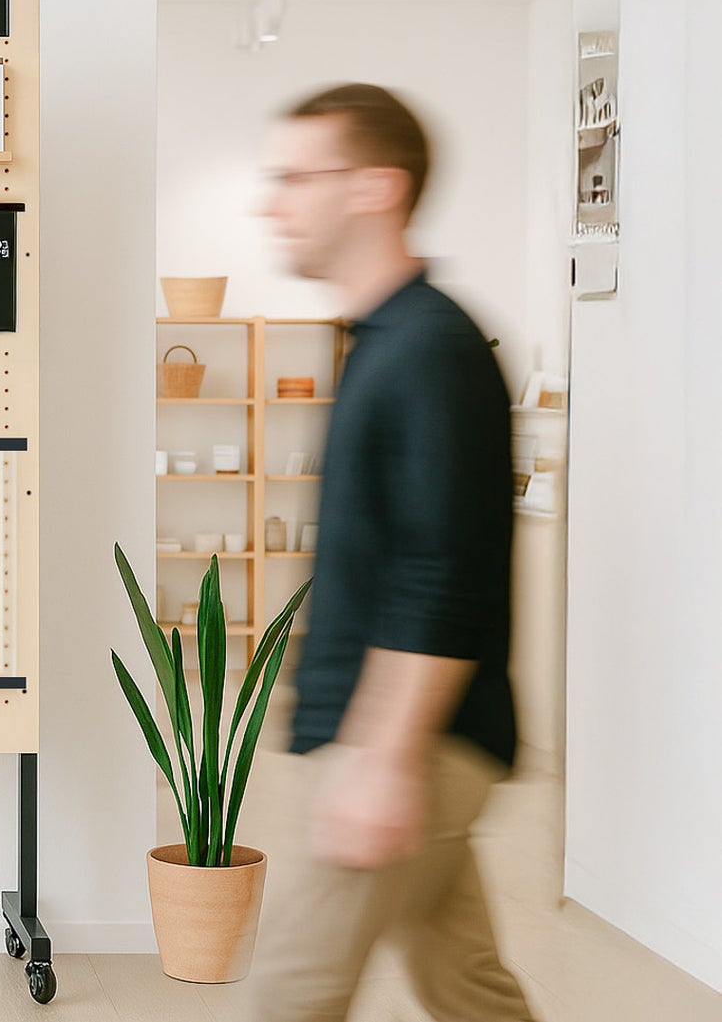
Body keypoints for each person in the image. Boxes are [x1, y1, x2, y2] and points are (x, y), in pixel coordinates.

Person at [237, 85, 536, 1021]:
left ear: (376, 186)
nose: (273, 203)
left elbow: (441, 574)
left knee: (285, 999)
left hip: (407, 746)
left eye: (297, 178)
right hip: (404, 742)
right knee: (470, 991)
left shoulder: (430, 348)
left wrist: (383, 756)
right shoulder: (388, 340)